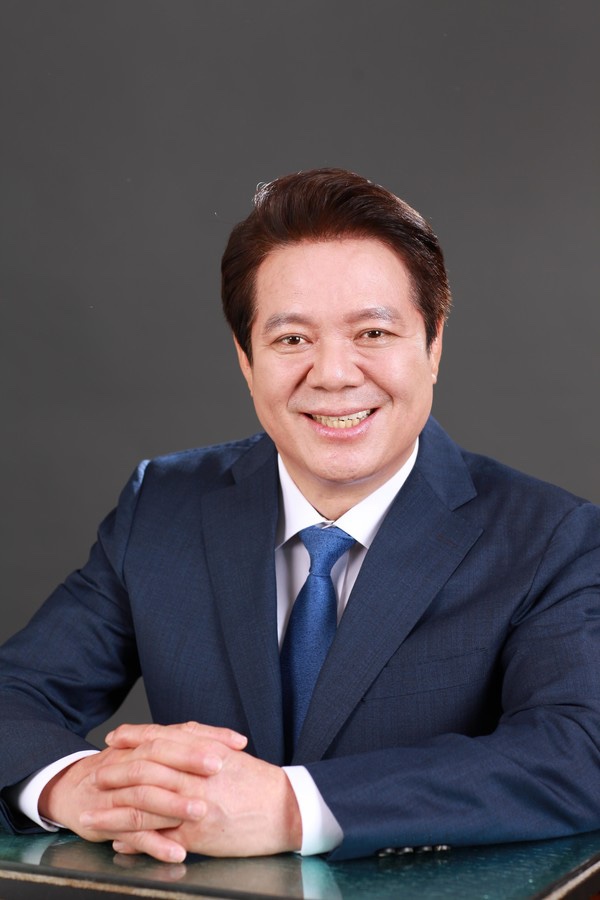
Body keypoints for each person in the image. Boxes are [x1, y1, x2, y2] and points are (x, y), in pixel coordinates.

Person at [1, 168, 599, 865]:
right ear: (246, 358)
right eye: (291, 340)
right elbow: (16, 694)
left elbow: (578, 751)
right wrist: (76, 786)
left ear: (433, 345)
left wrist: (294, 809)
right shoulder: (163, 505)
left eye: (373, 332)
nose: (334, 374)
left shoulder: (550, 538)